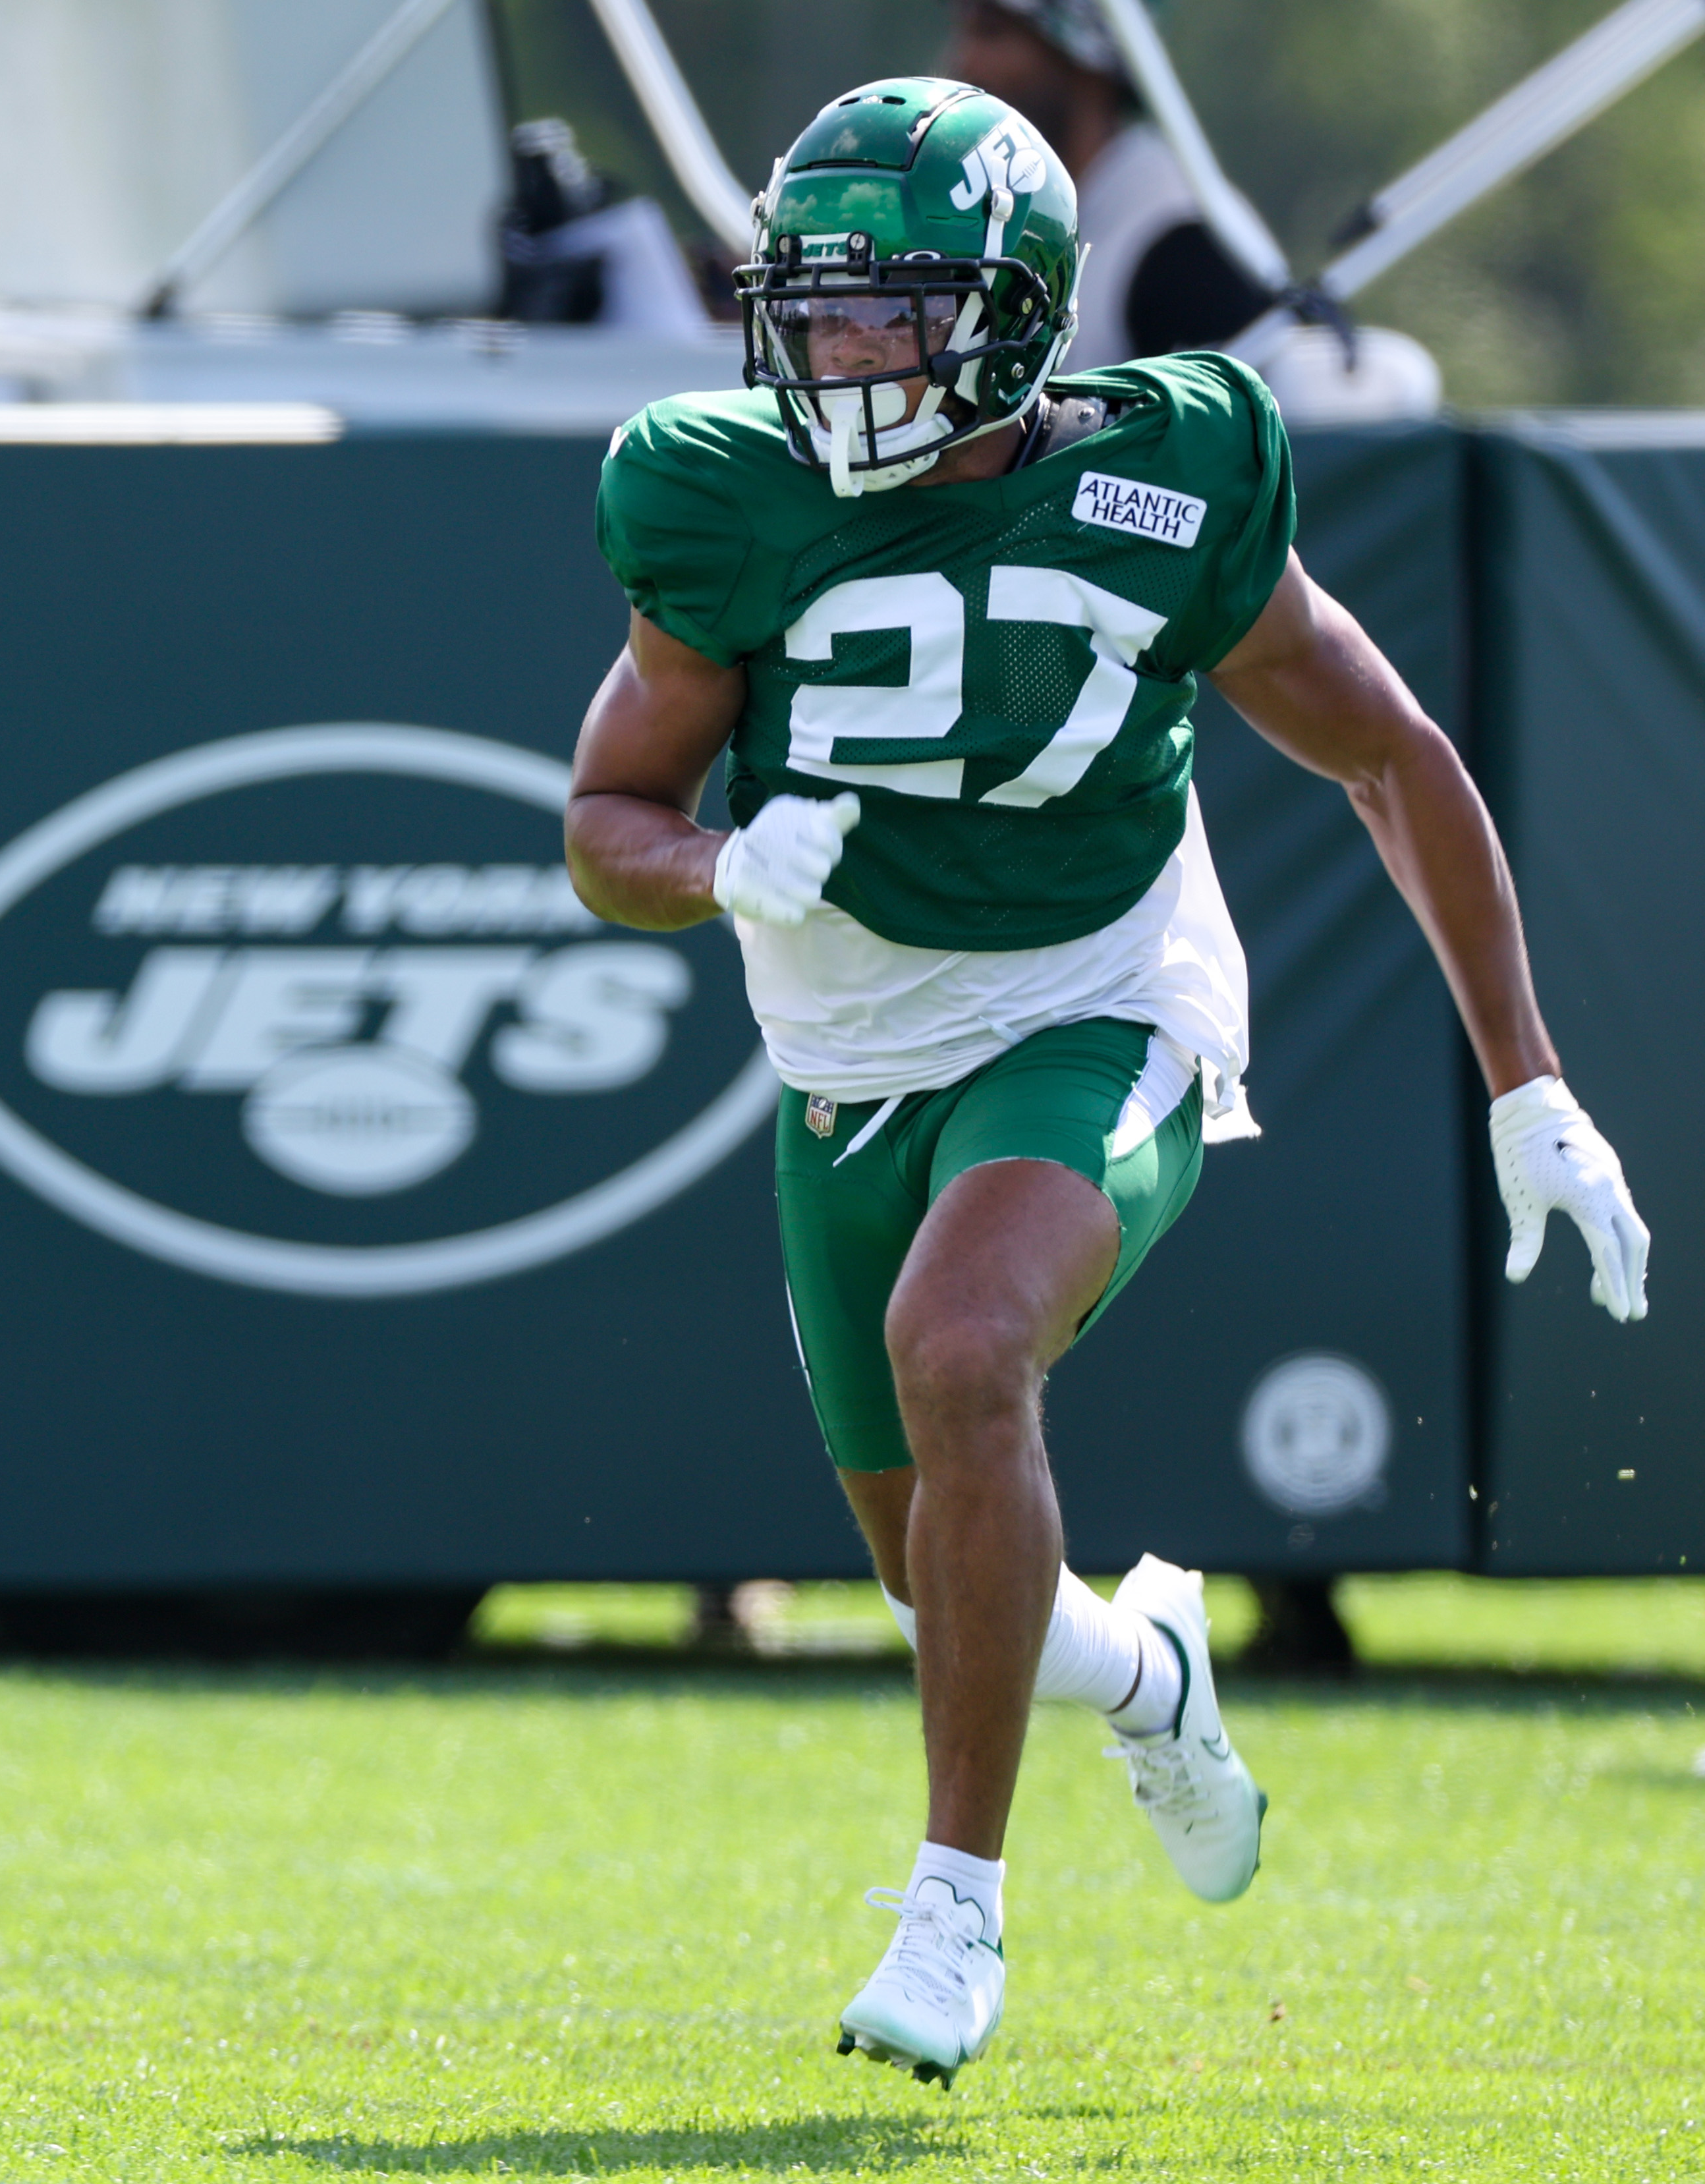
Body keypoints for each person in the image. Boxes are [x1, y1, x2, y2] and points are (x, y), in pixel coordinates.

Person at [567, 78, 1648, 2088]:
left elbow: (1387, 753)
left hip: (1101, 997)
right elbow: (605, 814)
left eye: (888, 310)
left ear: (1010, 312)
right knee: (932, 1580)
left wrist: (1528, 1085)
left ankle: (951, 1914)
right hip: (849, 1058)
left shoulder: (1167, 469)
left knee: (961, 1348)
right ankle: (1148, 1669)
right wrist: (719, 864)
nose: (837, 350)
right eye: (812, 308)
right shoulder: (722, 494)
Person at [943, 0, 1276, 369]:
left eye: (992, 32)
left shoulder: (1183, 244)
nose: (965, 64)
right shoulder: (1033, 221)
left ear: (1084, 54)